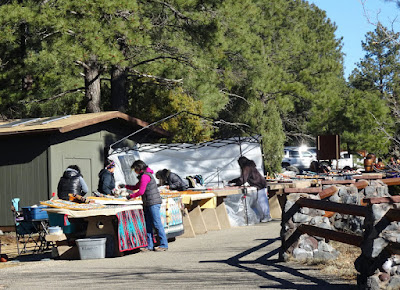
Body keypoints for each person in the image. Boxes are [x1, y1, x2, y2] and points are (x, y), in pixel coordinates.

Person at [125, 160, 168, 251]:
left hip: (153, 202)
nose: (134, 172)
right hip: (148, 202)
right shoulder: (144, 175)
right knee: (148, 224)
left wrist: (131, 196)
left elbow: (141, 191)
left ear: (138, 168)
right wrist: (125, 186)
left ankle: (164, 244)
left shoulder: (145, 176)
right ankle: (149, 245)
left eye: (134, 169)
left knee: (157, 223)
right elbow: (136, 187)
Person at [229, 156, 272, 223]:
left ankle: (267, 216)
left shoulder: (246, 168)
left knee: (262, 202)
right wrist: (232, 181)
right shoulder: (250, 166)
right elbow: (242, 178)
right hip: (260, 184)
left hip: (260, 185)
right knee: (260, 202)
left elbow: (242, 179)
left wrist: (234, 184)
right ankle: (264, 216)